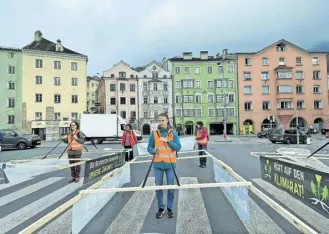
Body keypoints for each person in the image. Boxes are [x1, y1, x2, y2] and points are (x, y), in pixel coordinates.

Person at [147, 113, 181, 219]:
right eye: (159, 120)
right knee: (159, 187)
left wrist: (168, 141)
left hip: (170, 165)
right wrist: (153, 150)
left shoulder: (173, 133)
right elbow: (149, 147)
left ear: (167, 121)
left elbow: (178, 147)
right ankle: (160, 208)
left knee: (171, 187)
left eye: (163, 120)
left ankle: (170, 208)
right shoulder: (154, 133)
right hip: (157, 164)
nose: (161, 122)